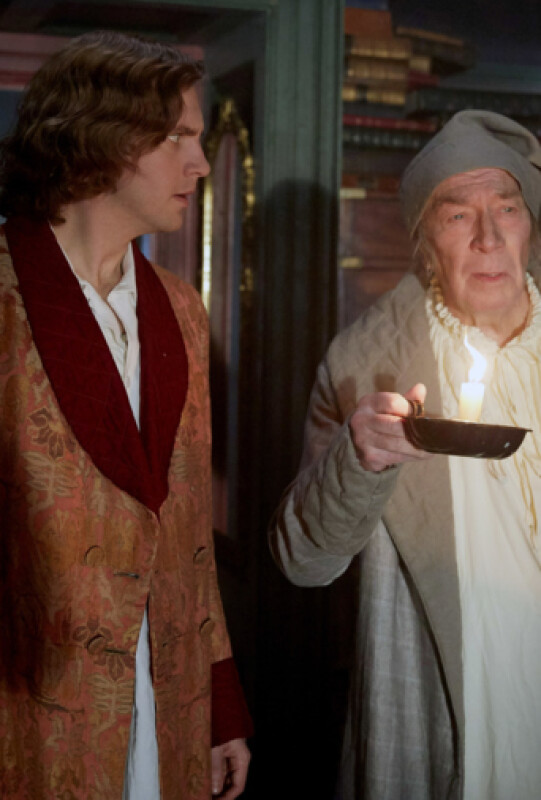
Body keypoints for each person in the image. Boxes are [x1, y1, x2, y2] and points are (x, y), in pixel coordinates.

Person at [0, 30, 252, 799]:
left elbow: (188, 531)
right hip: (31, 712)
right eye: (177, 137)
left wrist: (220, 702)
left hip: (166, 700)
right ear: (101, 140)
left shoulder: (180, 311)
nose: (199, 163)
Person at [269, 109, 541, 800]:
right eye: (457, 215)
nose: (487, 237)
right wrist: (359, 461)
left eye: (506, 208)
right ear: (424, 245)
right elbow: (303, 560)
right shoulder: (364, 366)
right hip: (448, 714)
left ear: (530, 226)